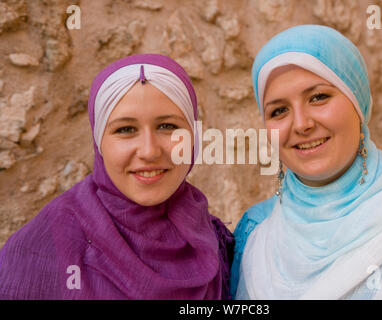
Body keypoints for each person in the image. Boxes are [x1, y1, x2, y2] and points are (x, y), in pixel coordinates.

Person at [230, 25, 382, 300]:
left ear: (358, 102)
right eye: (279, 111)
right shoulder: (254, 232)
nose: (301, 124)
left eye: (318, 97)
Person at [0, 54, 234, 300]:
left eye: (167, 126)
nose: (149, 151)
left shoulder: (211, 239)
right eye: (125, 130)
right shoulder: (42, 250)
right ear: (99, 141)